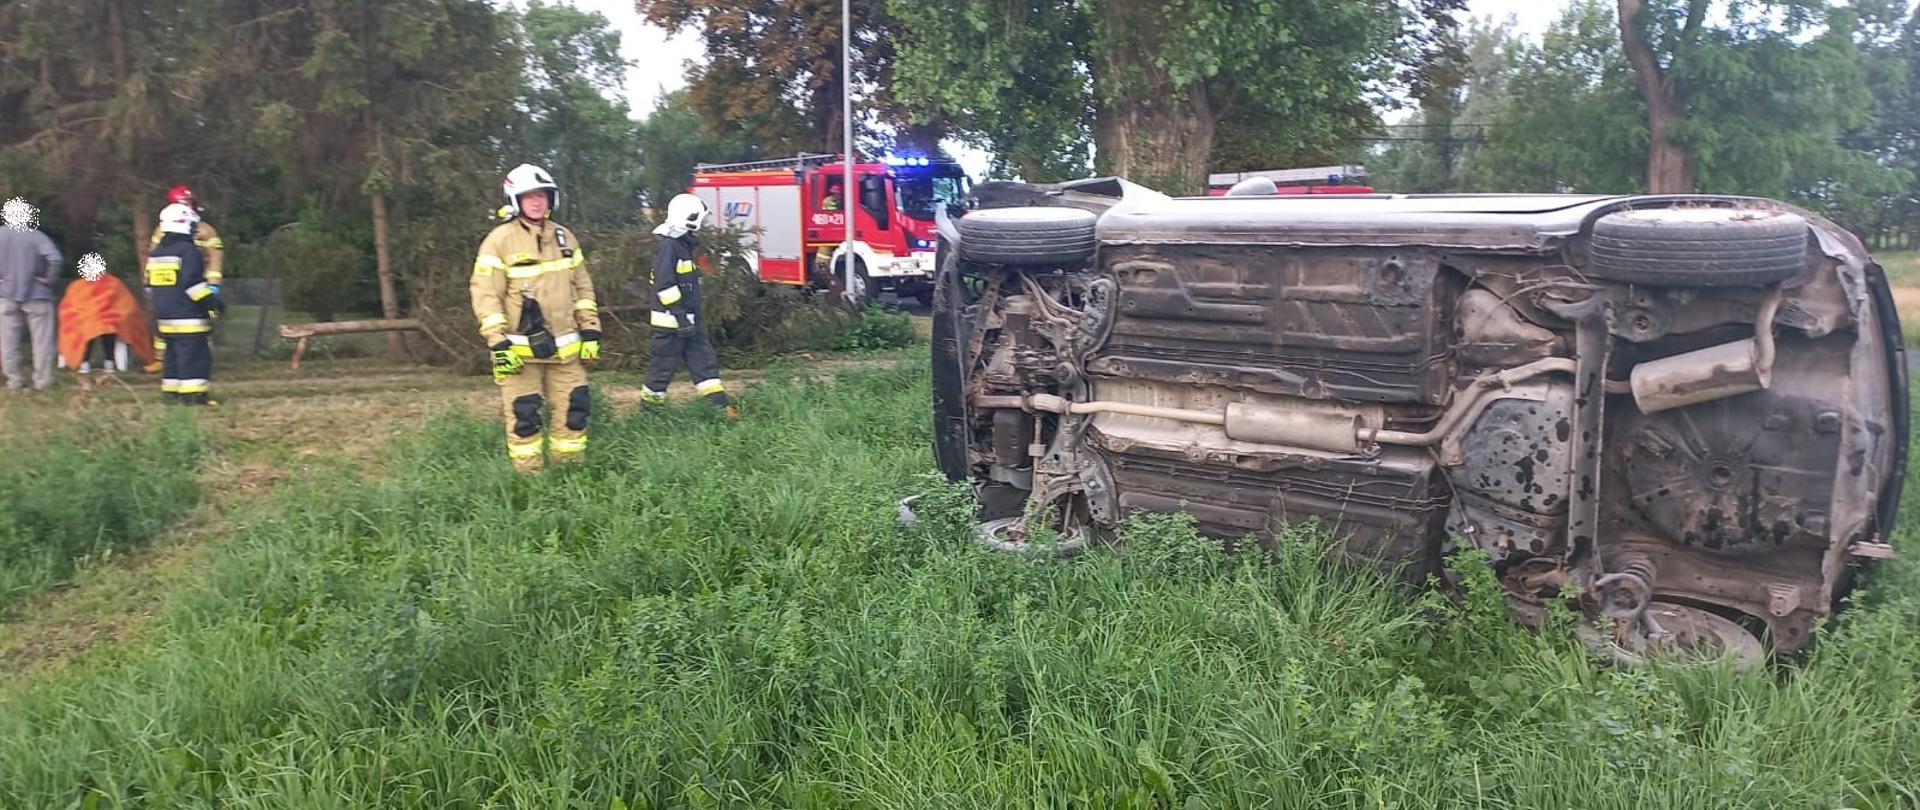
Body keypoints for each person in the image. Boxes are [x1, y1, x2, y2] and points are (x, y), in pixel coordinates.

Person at [470, 164, 601, 473]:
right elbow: (485, 294)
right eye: (529, 196)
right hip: (518, 353)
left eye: (542, 195)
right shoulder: (499, 241)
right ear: (515, 200)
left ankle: (570, 474)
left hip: (566, 351)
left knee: (575, 409)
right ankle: (529, 480)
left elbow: (582, 286)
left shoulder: (565, 238)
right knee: (524, 415)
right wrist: (497, 343)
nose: (537, 202)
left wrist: (591, 330)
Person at [641, 193, 734, 416]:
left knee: (704, 362)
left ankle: (719, 408)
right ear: (690, 218)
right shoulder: (669, 247)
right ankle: (649, 413)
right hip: (671, 323)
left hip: (690, 321)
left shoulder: (682, 246)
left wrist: (689, 319)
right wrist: (680, 318)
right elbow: (664, 286)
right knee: (662, 368)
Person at [146, 203, 224, 405]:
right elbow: (193, 285)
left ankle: (171, 394)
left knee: (172, 356)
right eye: (192, 226)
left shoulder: (157, 253)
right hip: (188, 316)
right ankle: (193, 397)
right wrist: (212, 303)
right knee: (194, 356)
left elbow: (149, 284)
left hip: (165, 316)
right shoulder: (188, 251)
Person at [0, 198, 62, 391]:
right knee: (42, 342)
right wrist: (48, 279)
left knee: (8, 342)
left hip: (5, 295)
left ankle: (14, 380)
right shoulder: (36, 236)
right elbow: (55, 259)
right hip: (38, 295)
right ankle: (42, 382)